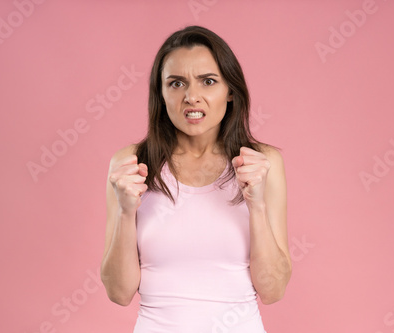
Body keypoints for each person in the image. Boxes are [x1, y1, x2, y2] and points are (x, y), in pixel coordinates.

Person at [101, 25, 291, 332]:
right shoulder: (131, 164)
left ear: (230, 91)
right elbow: (119, 293)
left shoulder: (263, 163)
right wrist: (126, 211)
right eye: (176, 83)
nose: (192, 97)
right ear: (160, 94)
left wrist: (257, 205)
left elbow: (273, 290)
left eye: (208, 81)